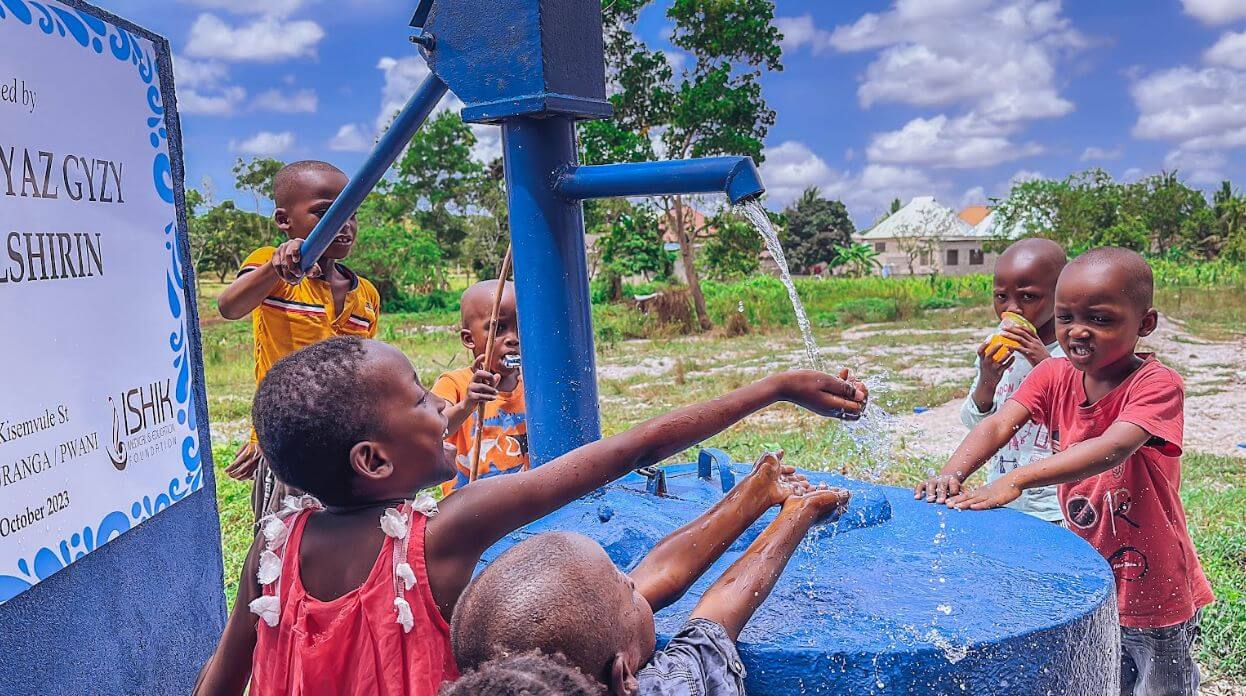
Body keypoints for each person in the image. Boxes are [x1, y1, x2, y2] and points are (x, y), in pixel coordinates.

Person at [193, 336, 867, 696]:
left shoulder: (274, 549)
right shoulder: (444, 534)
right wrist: (773, 388)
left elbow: (222, 677)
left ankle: (754, 495)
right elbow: (632, 449)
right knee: (596, 605)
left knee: (596, 602)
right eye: (421, 400)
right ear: (373, 460)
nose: (442, 405)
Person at [923, 248, 1214, 695]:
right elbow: (998, 423)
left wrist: (1017, 478)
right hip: (1089, 573)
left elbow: (1113, 447)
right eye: (1066, 317)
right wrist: (951, 473)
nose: (1078, 330)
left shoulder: (1156, 384)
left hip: (1155, 582)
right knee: (1104, 678)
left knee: (1162, 686)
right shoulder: (1054, 374)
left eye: (1100, 319)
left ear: (1145, 324)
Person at [448, 456, 849, 696]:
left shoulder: (499, 679)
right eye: (625, 586)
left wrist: (752, 495)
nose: (632, 579)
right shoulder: (672, 687)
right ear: (625, 678)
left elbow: (643, 586)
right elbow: (718, 615)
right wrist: (799, 514)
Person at [215, 160, 380, 521]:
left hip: (346, 447)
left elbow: (364, 374)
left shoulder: (366, 295)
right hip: (288, 447)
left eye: (351, 214)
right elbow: (230, 306)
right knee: (282, 541)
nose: (344, 224)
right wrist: (276, 268)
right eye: (325, 213)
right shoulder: (271, 271)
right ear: (283, 220)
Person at [915, 238, 1067, 522]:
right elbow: (979, 423)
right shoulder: (995, 346)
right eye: (1001, 297)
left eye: (1028, 297)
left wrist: (1044, 364)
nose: (1012, 309)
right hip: (1000, 492)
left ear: (1061, 294)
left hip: (1053, 503)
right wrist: (987, 379)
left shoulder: (1071, 353)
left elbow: (1081, 418)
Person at [432, 279, 524, 494]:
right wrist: (467, 405)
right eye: (499, 328)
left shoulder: (532, 385)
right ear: (469, 338)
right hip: (470, 507)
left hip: (522, 502)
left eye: (520, 327)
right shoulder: (454, 384)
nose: (513, 339)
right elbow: (435, 431)